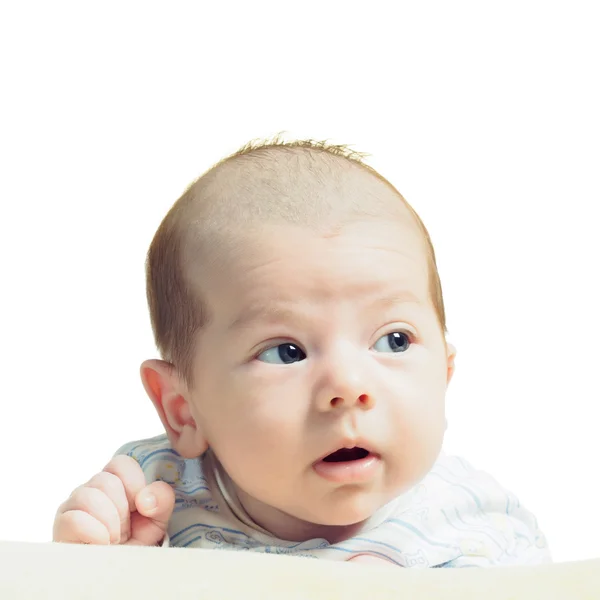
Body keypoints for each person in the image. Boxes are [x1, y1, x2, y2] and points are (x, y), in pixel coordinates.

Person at [53, 138, 550, 567]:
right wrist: (101, 569)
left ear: (444, 374)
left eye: (393, 340)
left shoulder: (475, 528)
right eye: (286, 352)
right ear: (184, 411)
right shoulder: (152, 498)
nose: (349, 387)